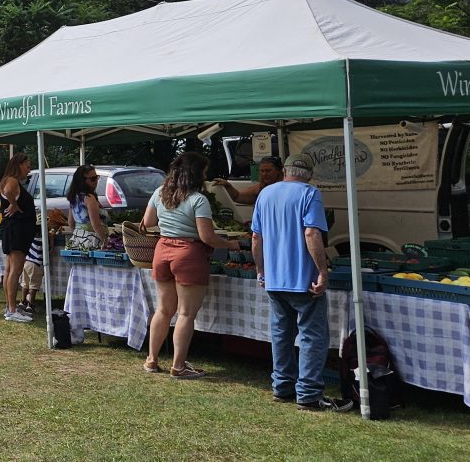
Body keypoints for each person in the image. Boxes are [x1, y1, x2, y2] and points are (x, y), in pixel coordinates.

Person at [253, 155, 348, 411]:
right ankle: (307, 394)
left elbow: (256, 237)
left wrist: (261, 270)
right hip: (304, 279)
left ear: (284, 171)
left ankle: (282, 387)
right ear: (309, 174)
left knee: (281, 334)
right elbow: (312, 233)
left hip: (275, 279)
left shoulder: (266, 194)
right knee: (312, 336)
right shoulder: (310, 193)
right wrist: (322, 271)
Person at [141, 152, 231, 379]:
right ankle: (178, 366)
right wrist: (233, 244)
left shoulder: (159, 193)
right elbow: (208, 237)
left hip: (162, 252)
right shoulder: (198, 200)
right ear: (196, 173)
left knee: (163, 309)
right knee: (186, 313)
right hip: (188, 254)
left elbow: (148, 222)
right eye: (204, 171)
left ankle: (151, 360)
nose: (206, 175)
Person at [0, 154, 38, 323]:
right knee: (15, 270)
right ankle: (13, 309)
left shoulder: (7, 180)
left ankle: (10, 307)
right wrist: (13, 204)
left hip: (13, 229)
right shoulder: (12, 181)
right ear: (18, 165)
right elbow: (8, 192)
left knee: (9, 270)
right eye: (27, 166)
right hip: (17, 230)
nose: (28, 170)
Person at [65, 164, 107, 252]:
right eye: (92, 179)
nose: (96, 181)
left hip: (78, 241)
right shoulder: (89, 198)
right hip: (93, 241)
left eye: (96, 177)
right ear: (82, 181)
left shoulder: (74, 196)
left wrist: (79, 234)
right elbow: (96, 225)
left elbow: (70, 222)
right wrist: (105, 241)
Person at [213, 155, 284, 207]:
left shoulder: (287, 188)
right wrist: (228, 185)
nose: (264, 174)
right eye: (262, 171)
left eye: (268, 171)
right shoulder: (259, 189)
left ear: (278, 171)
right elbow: (237, 196)